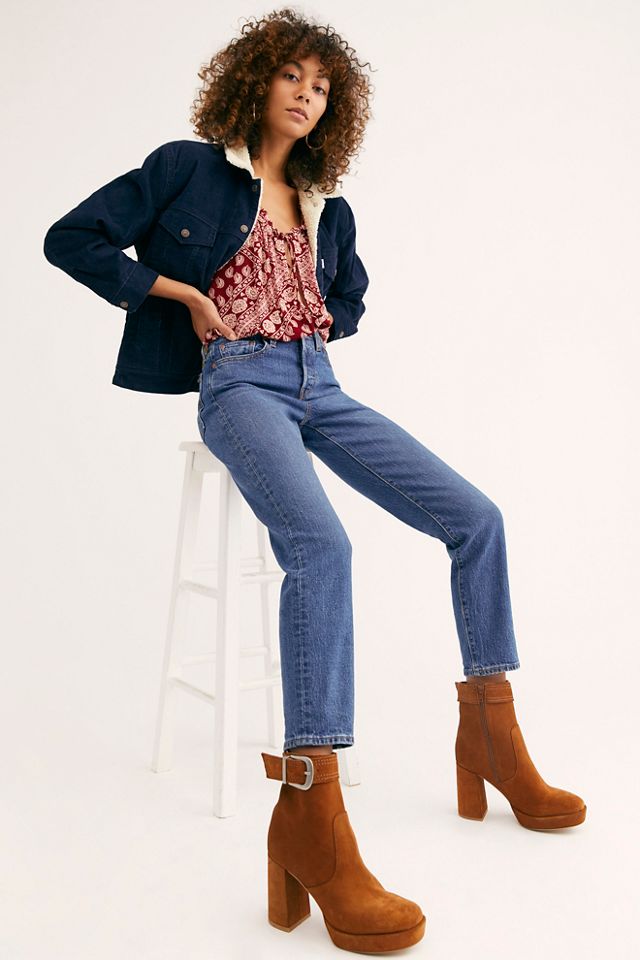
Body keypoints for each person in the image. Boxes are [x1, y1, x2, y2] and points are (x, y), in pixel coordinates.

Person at [43, 6, 586, 954]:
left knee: (477, 518)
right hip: (236, 384)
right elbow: (72, 238)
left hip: (319, 384)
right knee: (322, 548)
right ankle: (310, 809)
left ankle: (492, 739)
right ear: (254, 80)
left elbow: (350, 297)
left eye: (323, 86)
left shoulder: (326, 203)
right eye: (292, 75)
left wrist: (322, 321)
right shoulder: (186, 169)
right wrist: (182, 294)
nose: (307, 93)